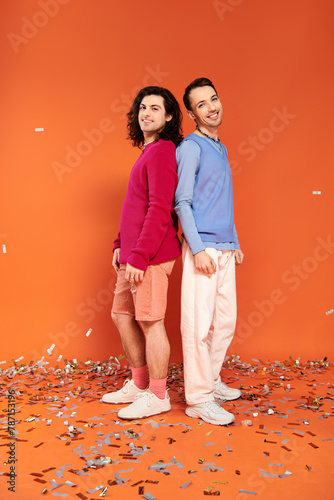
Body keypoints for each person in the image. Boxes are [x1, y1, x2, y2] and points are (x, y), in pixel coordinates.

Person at [102, 86, 183, 420]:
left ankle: (159, 395)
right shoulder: (147, 152)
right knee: (122, 315)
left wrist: (139, 256)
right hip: (133, 254)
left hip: (150, 256)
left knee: (150, 322)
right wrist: (120, 243)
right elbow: (133, 206)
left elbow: (160, 208)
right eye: (142, 107)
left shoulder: (163, 151)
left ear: (167, 117)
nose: (146, 112)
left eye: (155, 108)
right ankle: (139, 384)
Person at [174, 77, 244, 426]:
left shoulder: (220, 147)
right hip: (202, 248)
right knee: (198, 324)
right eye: (202, 104)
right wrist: (198, 249)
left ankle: (211, 380)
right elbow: (182, 202)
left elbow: (219, 200)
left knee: (226, 321)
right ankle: (199, 398)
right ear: (192, 114)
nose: (211, 107)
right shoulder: (191, 147)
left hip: (225, 247)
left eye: (213, 99)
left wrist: (234, 241)